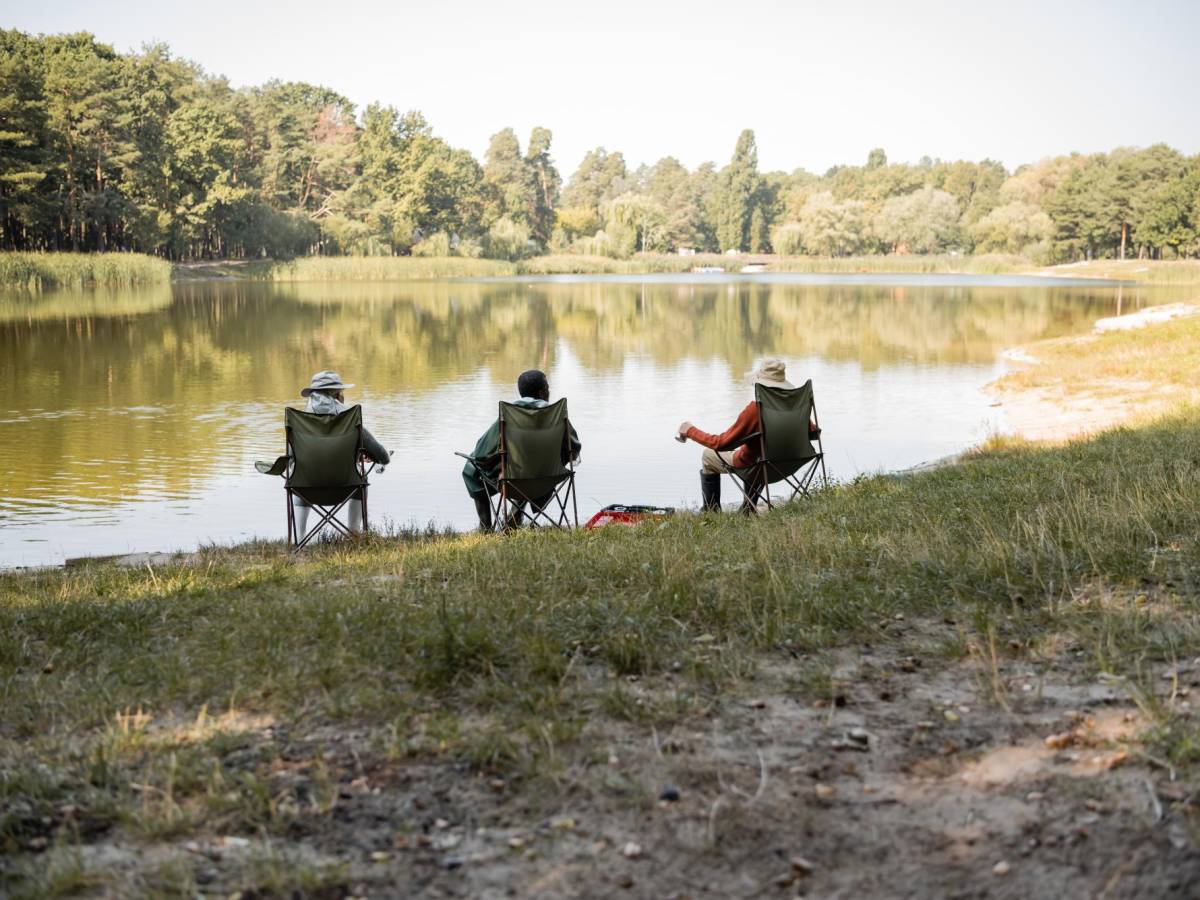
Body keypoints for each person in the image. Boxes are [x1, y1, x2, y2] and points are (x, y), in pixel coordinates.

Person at [676, 357, 819, 512]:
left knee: (708, 456)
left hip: (760, 467)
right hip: (790, 464)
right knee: (758, 452)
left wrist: (690, 430)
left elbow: (721, 443)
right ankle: (748, 508)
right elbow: (814, 434)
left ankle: (711, 512)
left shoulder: (755, 410)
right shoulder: (795, 406)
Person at [462, 369, 581, 530]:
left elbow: (481, 453)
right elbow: (574, 448)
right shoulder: (556, 413)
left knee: (471, 469)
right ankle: (514, 514)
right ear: (542, 392)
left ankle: (486, 527)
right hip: (548, 478)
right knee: (526, 464)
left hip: (514, 480)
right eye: (547, 387)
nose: (549, 391)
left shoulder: (509, 414)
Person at [294, 370, 390, 536]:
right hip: (346, 488)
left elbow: (292, 457)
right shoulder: (350, 419)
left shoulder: (299, 422)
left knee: (300, 474)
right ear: (337, 394)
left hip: (307, 489)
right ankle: (353, 532)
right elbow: (383, 457)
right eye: (341, 391)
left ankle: (299, 537)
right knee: (361, 479)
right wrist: (356, 454)